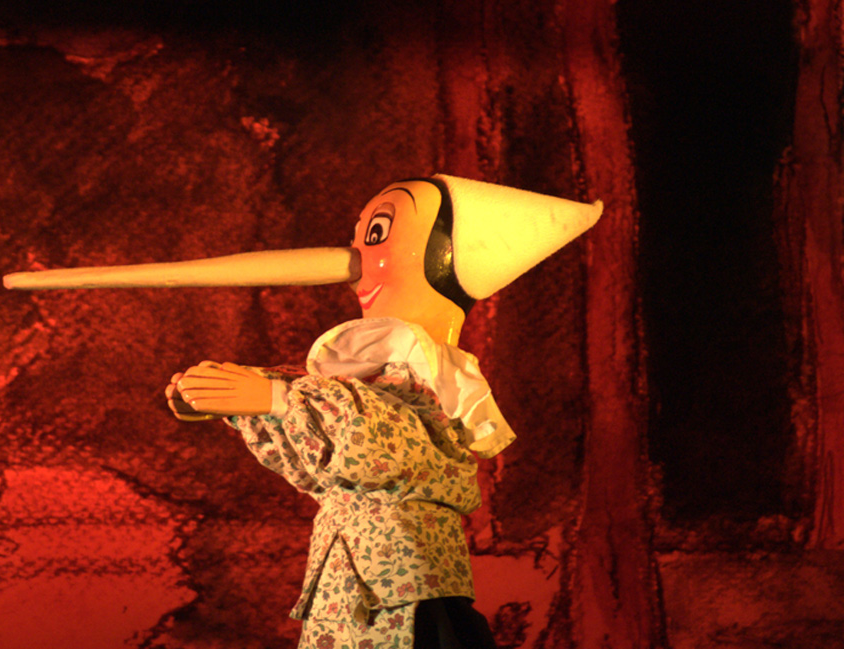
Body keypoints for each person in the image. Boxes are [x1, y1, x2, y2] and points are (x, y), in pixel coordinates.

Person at [167, 176, 601, 648]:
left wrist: (274, 399)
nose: (353, 258)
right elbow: (324, 461)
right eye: (357, 236)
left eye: (376, 234)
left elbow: (385, 442)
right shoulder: (364, 385)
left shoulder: (439, 387)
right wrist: (247, 403)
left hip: (409, 601)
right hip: (343, 599)